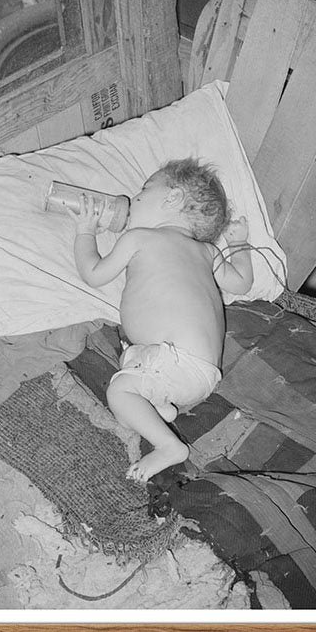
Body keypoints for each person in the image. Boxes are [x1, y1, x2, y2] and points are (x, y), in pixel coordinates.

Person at [70, 159, 253, 482]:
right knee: (131, 402)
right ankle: (158, 409)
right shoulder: (208, 252)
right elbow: (241, 284)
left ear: (172, 200)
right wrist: (239, 246)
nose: (134, 197)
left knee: (119, 393)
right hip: (203, 374)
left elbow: (94, 274)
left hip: (173, 360)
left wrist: (85, 231)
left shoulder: (139, 238)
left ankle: (169, 446)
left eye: (143, 190)